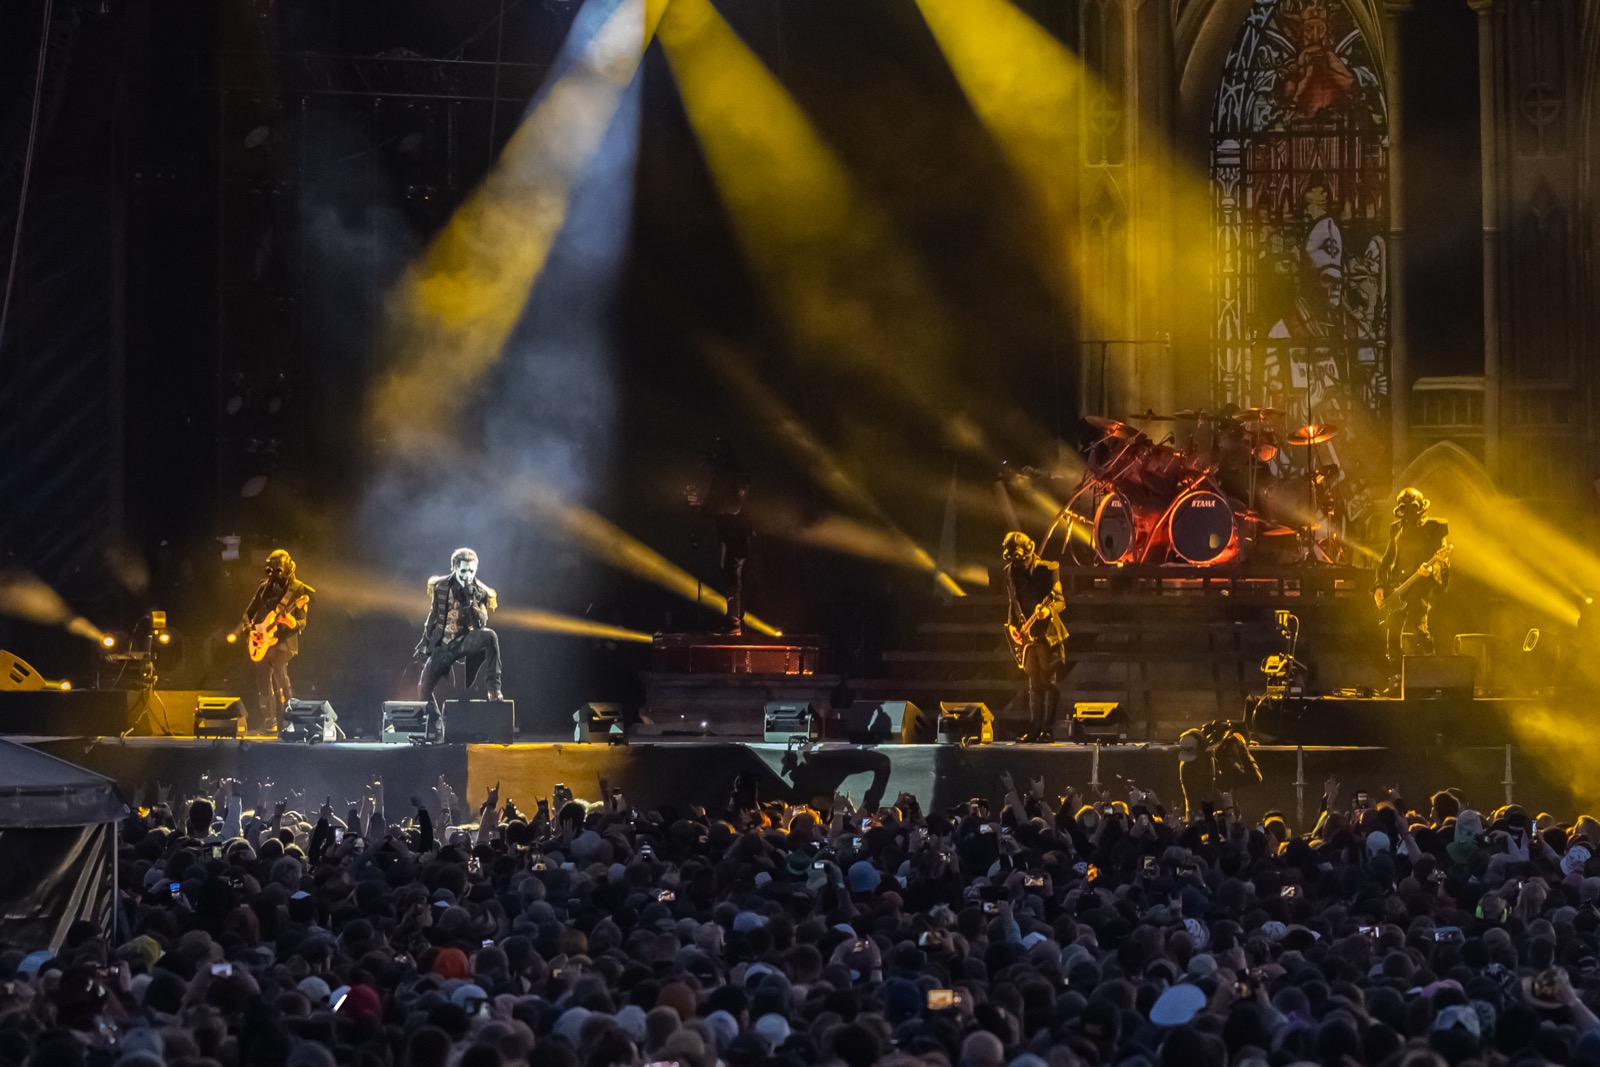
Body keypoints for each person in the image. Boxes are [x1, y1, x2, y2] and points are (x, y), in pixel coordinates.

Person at [416, 548, 503, 716]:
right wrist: (424, 640)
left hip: (464, 641)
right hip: (443, 644)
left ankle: (494, 687)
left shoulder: (480, 591)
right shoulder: (440, 587)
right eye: (463, 570)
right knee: (423, 688)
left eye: (471, 571)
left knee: (490, 636)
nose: (467, 575)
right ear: (454, 568)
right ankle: (437, 724)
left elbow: (481, 624)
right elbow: (433, 615)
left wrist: (469, 602)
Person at [1374, 487, 1450, 676]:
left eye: (1412, 509)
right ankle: (1396, 678)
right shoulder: (1396, 529)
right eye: (1405, 510)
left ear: (1420, 508)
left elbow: (1443, 559)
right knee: (1392, 634)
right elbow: (1386, 560)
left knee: (1420, 629)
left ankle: (1431, 675)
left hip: (1419, 587)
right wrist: (1379, 586)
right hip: (1398, 588)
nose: (1408, 515)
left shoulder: (1433, 527)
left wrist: (1431, 570)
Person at [1001, 531, 1068, 742]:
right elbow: (1013, 602)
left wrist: (1047, 611)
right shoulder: (1010, 571)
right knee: (1034, 684)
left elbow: (1059, 600)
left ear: (1029, 551)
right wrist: (1013, 626)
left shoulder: (1048, 569)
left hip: (1047, 635)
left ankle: (1047, 729)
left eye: (1019, 558)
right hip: (1026, 636)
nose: (1016, 563)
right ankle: (1034, 728)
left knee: (1050, 682)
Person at [240, 549, 313, 732]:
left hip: (284, 641)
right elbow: (247, 614)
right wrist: (250, 631)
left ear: (288, 568)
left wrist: (291, 622)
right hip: (262, 640)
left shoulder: (298, 589)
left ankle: (290, 720)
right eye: (271, 570)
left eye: (278, 570)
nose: (274, 574)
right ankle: (269, 722)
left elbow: (302, 622)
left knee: (280, 674)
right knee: (263, 680)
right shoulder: (264, 587)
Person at [685, 437, 751, 635]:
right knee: (728, 573)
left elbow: (734, 507)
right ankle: (732, 621)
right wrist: (699, 506)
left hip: (738, 533)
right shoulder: (723, 474)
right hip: (727, 532)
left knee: (733, 574)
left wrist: (703, 506)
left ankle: (735, 623)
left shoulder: (738, 475)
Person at [1177, 720, 1262, 821]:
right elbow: (1255, 778)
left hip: (1198, 818)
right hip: (1224, 818)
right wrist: (1243, 751)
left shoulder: (1185, 766)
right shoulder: (1224, 764)